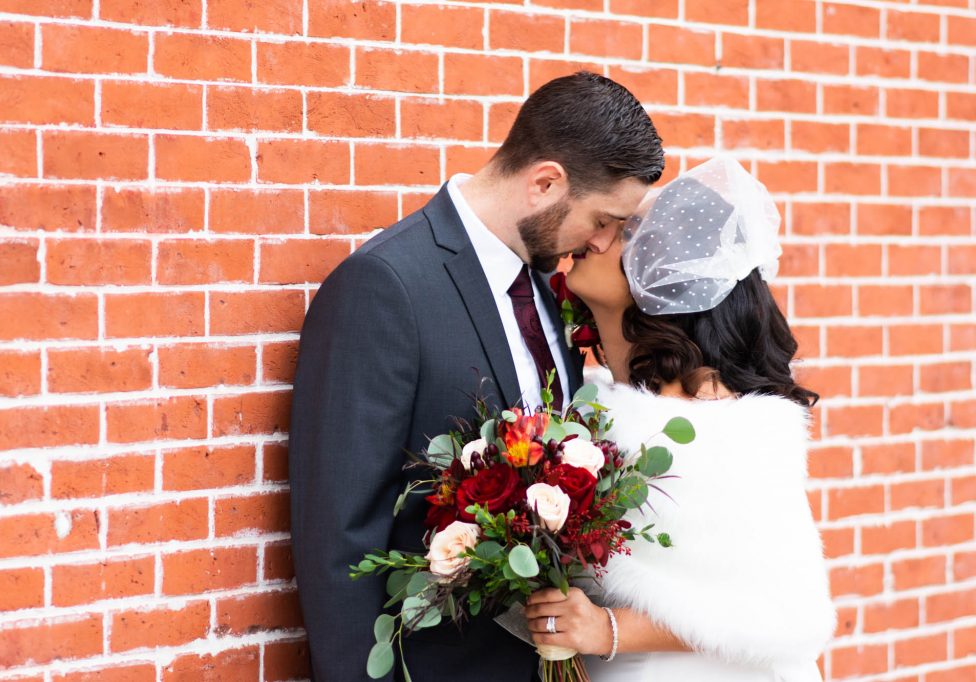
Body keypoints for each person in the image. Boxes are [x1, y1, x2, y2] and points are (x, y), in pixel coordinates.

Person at [289, 72, 665, 681]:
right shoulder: (386, 287)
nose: (603, 243)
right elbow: (339, 537)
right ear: (546, 183)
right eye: (602, 219)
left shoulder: (546, 288)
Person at [524, 158, 836, 681]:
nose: (595, 237)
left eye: (621, 233)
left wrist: (608, 630)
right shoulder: (594, 405)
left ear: (667, 276)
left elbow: (789, 610)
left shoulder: (715, 424)